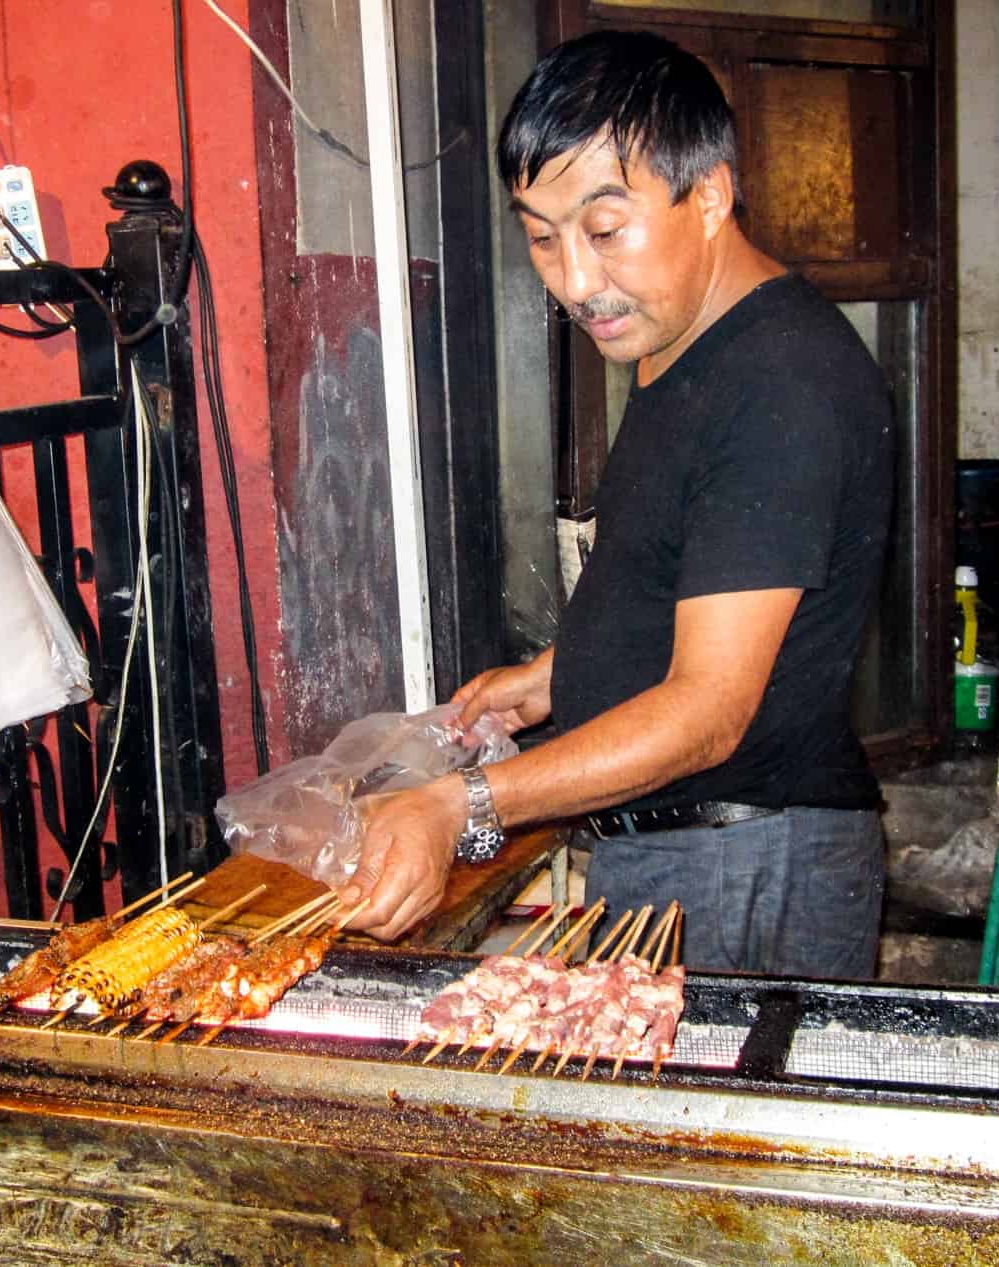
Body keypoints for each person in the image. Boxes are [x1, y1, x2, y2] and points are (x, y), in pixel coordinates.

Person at [338, 29, 894, 978]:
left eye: (604, 230)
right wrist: (563, 673)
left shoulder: (781, 382)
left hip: (746, 860)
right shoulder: (678, 345)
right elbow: (700, 581)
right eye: (542, 236)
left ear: (711, 193)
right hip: (694, 847)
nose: (576, 281)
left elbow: (709, 711)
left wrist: (464, 802)